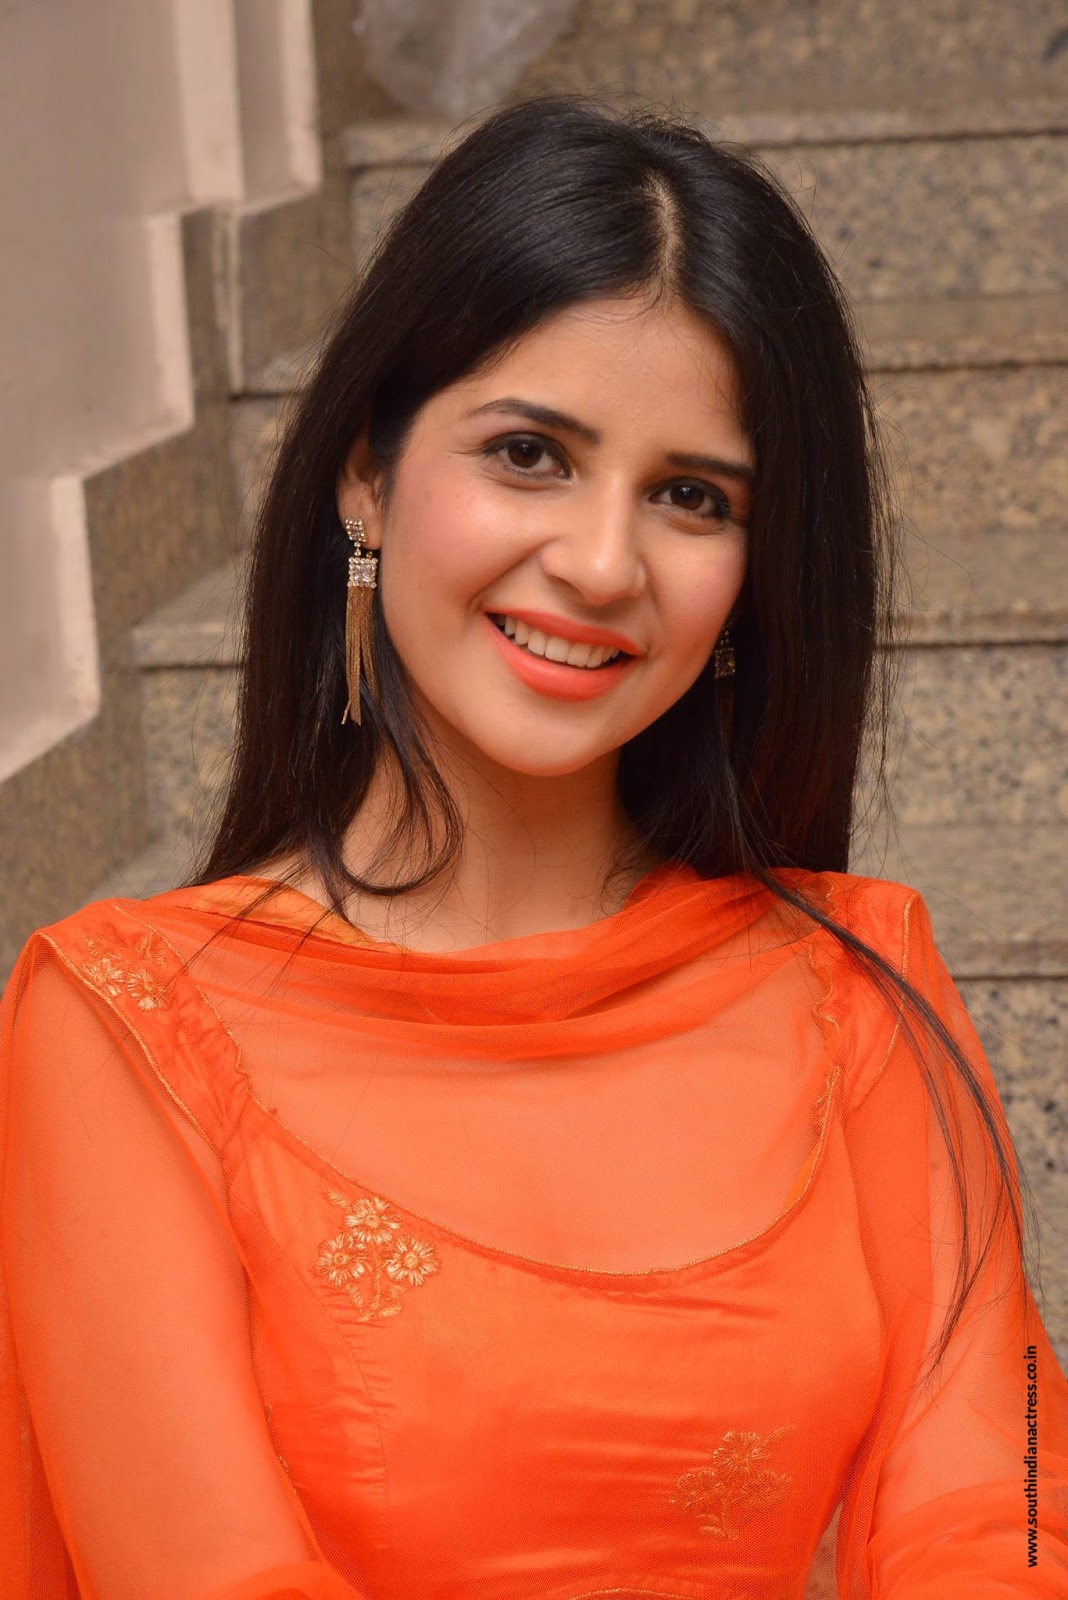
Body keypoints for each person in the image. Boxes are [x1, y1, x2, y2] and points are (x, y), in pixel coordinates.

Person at [1, 91, 1066, 1600]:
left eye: (690, 496)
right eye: (529, 454)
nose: (603, 562)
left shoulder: (859, 985)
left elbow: (1001, 1502)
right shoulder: (126, 1021)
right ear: (368, 476)